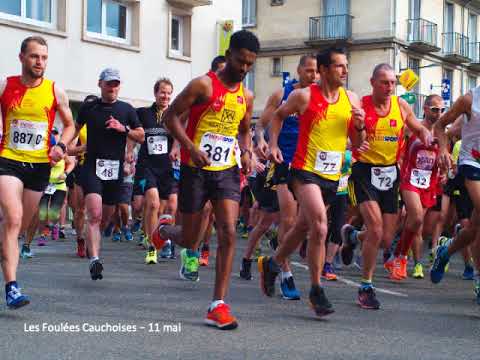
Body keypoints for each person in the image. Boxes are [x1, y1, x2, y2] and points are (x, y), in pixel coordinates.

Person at [159, 30, 259, 329]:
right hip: (195, 169)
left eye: (250, 65)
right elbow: (171, 116)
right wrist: (190, 147)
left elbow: (243, 129)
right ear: (228, 55)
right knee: (190, 239)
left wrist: (247, 150)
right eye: (240, 61)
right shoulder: (203, 85)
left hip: (226, 169)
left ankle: (218, 304)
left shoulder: (247, 96)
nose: (244, 69)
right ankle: (164, 230)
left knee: (228, 231)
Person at [258, 47, 366, 317]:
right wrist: (272, 143)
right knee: (320, 225)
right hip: (304, 170)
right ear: (325, 69)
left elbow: (357, 143)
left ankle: (272, 264)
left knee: (301, 227)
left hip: (332, 175)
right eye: (340, 66)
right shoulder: (303, 96)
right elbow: (278, 116)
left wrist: (361, 127)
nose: (345, 70)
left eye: (346, 65)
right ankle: (316, 290)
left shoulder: (350, 99)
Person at [341, 63, 432, 309]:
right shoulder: (361, 106)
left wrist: (425, 134)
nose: (389, 87)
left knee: (385, 238)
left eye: (393, 82)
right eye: (384, 82)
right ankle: (366, 287)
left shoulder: (401, 106)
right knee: (377, 229)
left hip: (390, 173)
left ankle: (352, 235)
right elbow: (355, 141)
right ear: (373, 83)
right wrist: (360, 132)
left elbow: (417, 126)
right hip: (364, 172)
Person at [0, 36, 75, 308]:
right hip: (8, 160)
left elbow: (70, 125)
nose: (39, 62)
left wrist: (62, 146)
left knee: (19, 226)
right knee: (13, 217)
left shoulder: (55, 91)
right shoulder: (5, 85)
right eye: (34, 56)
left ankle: (6, 246)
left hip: (39, 166)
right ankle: (11, 287)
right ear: (22, 58)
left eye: (43, 57)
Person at [251, 54, 318, 299]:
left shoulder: (320, 98)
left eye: (317, 71)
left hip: (311, 165)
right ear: (299, 71)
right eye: (309, 71)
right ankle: (286, 274)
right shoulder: (282, 95)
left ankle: (275, 260)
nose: (313, 76)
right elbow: (262, 124)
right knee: (288, 219)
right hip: (284, 162)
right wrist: (261, 141)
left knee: (309, 221)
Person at [75, 68, 144, 280]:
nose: (113, 87)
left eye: (116, 84)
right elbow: (74, 131)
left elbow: (141, 136)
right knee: (94, 215)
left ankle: (92, 244)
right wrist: (65, 150)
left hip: (114, 169)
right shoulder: (89, 108)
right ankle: (95, 260)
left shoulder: (127, 109)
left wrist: (123, 129)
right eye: (109, 83)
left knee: (104, 218)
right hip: (92, 167)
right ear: (100, 84)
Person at [432, 85, 480, 305]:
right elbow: (440, 125)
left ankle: (445, 251)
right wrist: (443, 150)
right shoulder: (469, 100)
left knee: (473, 230)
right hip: (472, 164)